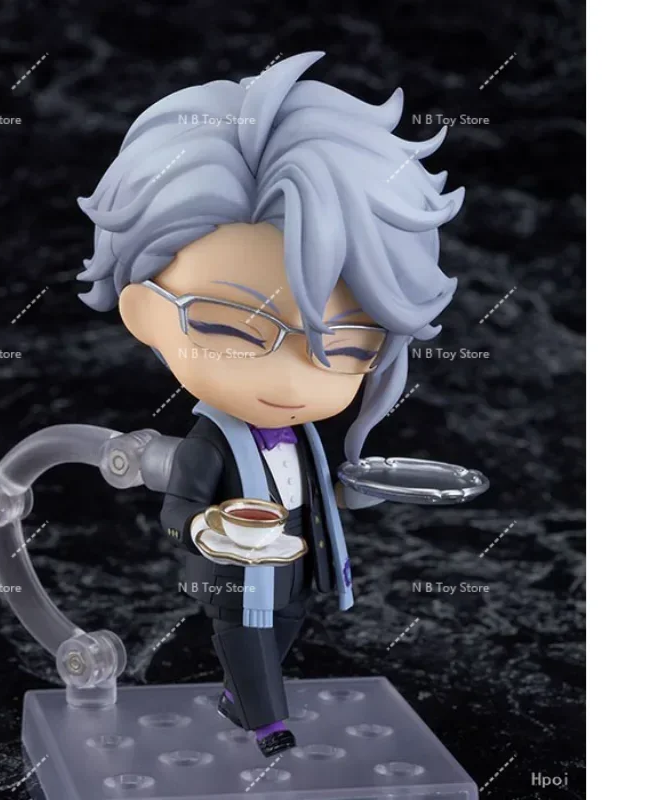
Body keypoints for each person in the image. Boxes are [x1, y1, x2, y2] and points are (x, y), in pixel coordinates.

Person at [77, 51, 463, 757]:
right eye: (233, 330)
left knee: (282, 630)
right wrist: (208, 530)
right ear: (144, 314)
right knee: (249, 641)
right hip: (233, 576)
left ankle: (242, 698)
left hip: (295, 568)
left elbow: (314, 497)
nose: (291, 378)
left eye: (342, 345)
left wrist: (355, 495)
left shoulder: (306, 440)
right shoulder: (209, 443)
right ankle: (268, 725)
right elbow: (175, 513)